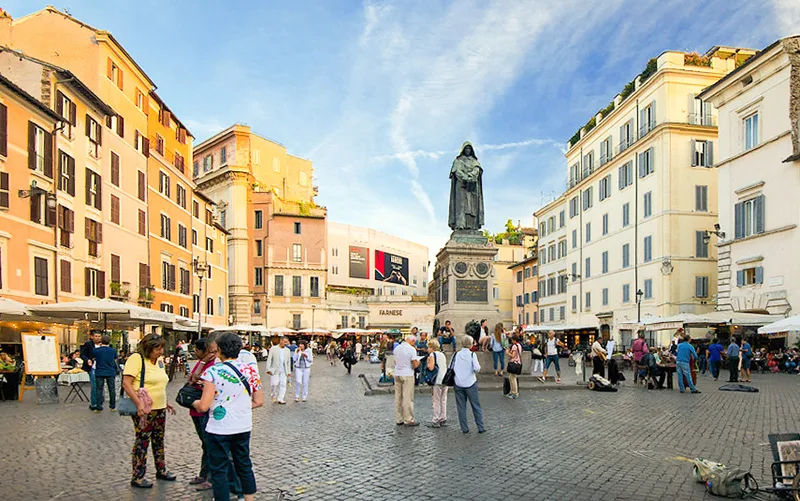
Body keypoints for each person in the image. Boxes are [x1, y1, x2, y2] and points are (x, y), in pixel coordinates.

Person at [194, 333, 263, 501]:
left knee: (219, 469)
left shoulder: (213, 372)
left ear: (219, 350)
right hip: (242, 426)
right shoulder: (250, 371)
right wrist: (240, 407)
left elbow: (204, 405)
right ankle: (249, 499)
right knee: (244, 464)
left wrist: (195, 403)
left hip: (219, 428)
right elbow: (259, 401)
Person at [121, 334, 176, 489]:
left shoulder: (158, 361)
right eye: (157, 348)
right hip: (144, 409)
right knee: (142, 440)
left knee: (159, 439)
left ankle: (161, 469)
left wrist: (165, 402)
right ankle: (138, 476)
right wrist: (138, 404)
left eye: (161, 348)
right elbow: (126, 383)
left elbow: (159, 383)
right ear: (148, 348)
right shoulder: (136, 359)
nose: (161, 351)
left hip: (159, 408)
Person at [187, 338, 216, 491]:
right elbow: (192, 379)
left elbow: (198, 380)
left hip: (205, 409)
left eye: (196, 350)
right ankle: (204, 474)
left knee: (210, 445)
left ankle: (211, 477)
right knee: (205, 444)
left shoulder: (213, 364)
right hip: (195, 409)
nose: (195, 352)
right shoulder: (202, 362)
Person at [453, 335, 485, 433]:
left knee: (461, 407)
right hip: (470, 382)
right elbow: (477, 368)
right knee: (475, 405)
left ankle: (464, 428)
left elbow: (452, 367)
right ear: (470, 344)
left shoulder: (456, 354)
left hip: (458, 382)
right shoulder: (472, 355)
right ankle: (480, 427)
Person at [393, 334, 420, 426]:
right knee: (407, 397)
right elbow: (414, 365)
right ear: (412, 341)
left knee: (398, 397)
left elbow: (395, 361)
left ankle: (398, 418)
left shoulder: (396, 348)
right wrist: (418, 362)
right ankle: (408, 419)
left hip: (397, 373)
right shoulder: (412, 350)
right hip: (407, 374)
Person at [426, 339, 448, 428]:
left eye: (428, 347)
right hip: (445, 379)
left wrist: (428, 363)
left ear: (431, 347)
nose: (427, 349)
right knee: (443, 399)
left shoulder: (432, 355)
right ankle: (443, 418)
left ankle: (436, 419)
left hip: (437, 379)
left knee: (436, 400)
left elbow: (431, 368)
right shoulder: (442, 354)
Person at [93, 334, 118, 412]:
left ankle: (99, 407)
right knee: (112, 389)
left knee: (99, 389)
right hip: (110, 371)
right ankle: (112, 406)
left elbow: (94, 358)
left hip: (99, 371)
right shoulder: (113, 350)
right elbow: (115, 360)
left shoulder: (96, 350)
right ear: (109, 342)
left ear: (101, 341)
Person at [80, 330, 102, 411]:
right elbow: (82, 354)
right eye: (96, 336)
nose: (97, 338)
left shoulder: (104, 345)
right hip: (92, 367)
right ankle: (94, 404)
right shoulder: (88, 344)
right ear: (92, 337)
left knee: (100, 385)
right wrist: (88, 360)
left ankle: (99, 402)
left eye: (99, 336)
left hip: (101, 367)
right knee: (94, 386)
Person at [266, 337, 291, 404]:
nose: (285, 343)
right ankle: (273, 395)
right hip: (275, 369)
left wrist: (288, 371)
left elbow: (288, 362)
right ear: (281, 341)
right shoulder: (273, 349)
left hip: (284, 369)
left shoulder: (287, 350)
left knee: (283, 384)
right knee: (274, 384)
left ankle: (281, 398)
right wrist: (268, 369)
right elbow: (269, 359)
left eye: (286, 342)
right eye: (284, 341)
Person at [506, 335, 522, 399]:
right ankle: (512, 391)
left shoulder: (515, 346)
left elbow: (513, 355)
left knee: (513, 378)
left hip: (514, 363)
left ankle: (514, 392)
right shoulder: (519, 345)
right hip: (517, 362)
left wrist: (507, 352)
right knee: (511, 377)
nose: (511, 341)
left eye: (512, 340)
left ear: (514, 340)